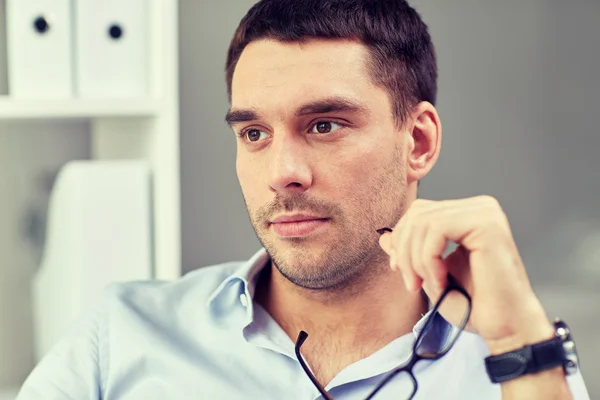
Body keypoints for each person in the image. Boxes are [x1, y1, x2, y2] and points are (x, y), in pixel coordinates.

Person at [17, 0, 591, 399]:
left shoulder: (518, 363)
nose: (282, 174)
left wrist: (521, 344)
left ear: (417, 141)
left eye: (324, 126)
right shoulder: (118, 338)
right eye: (254, 134)